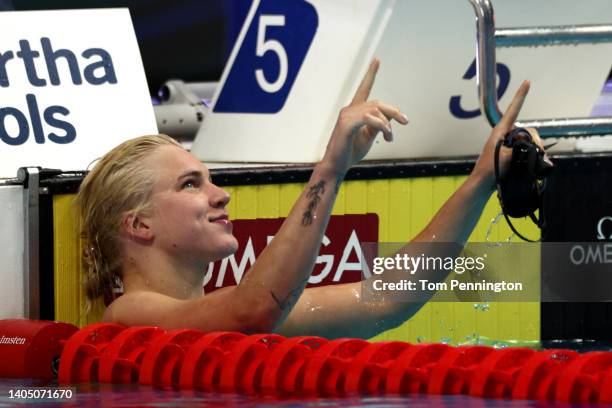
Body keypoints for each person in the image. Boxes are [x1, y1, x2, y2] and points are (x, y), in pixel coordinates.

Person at [76, 59, 542, 339]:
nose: (221, 196)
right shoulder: (128, 318)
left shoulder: (226, 312)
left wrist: (480, 181)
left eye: (210, 179)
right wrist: (331, 168)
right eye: (190, 184)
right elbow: (255, 309)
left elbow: (383, 300)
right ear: (139, 225)